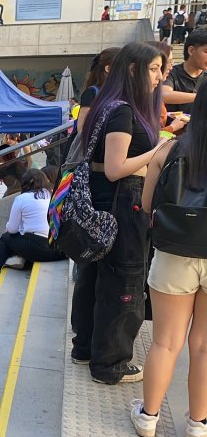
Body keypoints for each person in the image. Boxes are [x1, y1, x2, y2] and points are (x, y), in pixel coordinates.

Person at [71, 42, 168, 385]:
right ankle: (111, 363)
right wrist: (159, 149)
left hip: (103, 202)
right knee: (123, 280)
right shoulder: (123, 111)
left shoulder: (105, 104)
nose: (160, 76)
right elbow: (115, 168)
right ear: (133, 70)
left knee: (94, 276)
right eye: (154, 69)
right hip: (121, 202)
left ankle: (85, 348)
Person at [130, 82, 207, 437]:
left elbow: (148, 207)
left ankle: (148, 418)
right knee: (204, 345)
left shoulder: (170, 149)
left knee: (165, 341)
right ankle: (198, 424)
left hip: (175, 252)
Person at [0, 169, 66, 285]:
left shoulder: (22, 199)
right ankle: (19, 259)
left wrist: (8, 228)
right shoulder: (54, 194)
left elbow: (12, 229)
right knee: (24, 233)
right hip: (58, 250)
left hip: (37, 249)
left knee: (6, 238)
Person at [163, 28, 207, 115]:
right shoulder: (171, 73)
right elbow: (164, 94)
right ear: (191, 50)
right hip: (173, 127)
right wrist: (200, 97)